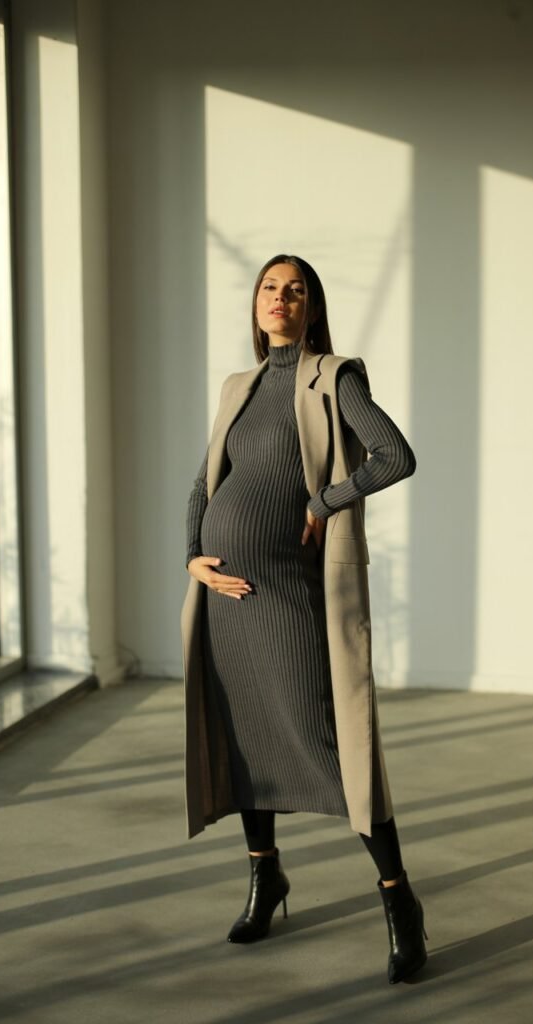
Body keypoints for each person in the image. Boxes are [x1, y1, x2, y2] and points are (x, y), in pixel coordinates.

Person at [183, 254, 427, 984]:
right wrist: (192, 554)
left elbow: (394, 455)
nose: (280, 299)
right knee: (246, 739)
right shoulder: (238, 385)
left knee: (332, 739)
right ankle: (266, 879)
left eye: (295, 290)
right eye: (269, 288)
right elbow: (205, 480)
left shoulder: (334, 376)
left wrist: (323, 502)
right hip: (225, 599)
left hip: (289, 594)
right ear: (255, 305)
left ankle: (399, 900)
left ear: (312, 308)